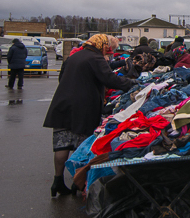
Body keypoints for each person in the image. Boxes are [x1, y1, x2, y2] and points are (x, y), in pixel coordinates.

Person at [43, 34, 135, 196]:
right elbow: (110, 79)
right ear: (102, 45)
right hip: (82, 107)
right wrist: (132, 84)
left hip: (62, 104)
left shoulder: (75, 56)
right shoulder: (95, 58)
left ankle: (57, 181)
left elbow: (61, 78)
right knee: (82, 145)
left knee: (62, 144)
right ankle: (77, 182)